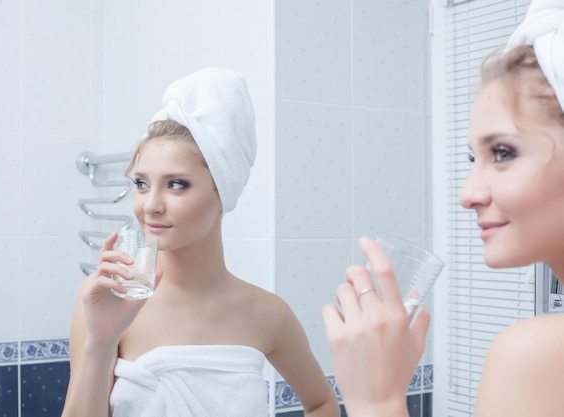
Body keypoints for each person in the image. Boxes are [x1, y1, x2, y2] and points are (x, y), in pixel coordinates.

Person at [321, 1, 564, 416]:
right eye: (474, 159)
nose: (467, 194)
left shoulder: (536, 355)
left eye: (502, 152)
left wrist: (376, 399)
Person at [61, 67, 340, 417]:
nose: (150, 205)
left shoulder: (268, 314)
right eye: (142, 184)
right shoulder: (109, 297)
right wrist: (101, 342)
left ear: (221, 193)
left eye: (176, 184)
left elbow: (321, 403)